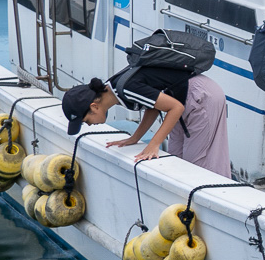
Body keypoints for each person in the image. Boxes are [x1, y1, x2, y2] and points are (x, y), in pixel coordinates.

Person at [62, 58, 229, 174]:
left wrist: (154, 144)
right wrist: (135, 138)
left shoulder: (125, 88)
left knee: (198, 163)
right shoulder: (115, 89)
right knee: (176, 158)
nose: (90, 125)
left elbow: (175, 107)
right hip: (182, 98)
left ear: (94, 107)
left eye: (86, 121)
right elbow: (153, 107)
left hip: (200, 98)